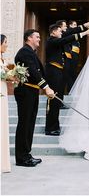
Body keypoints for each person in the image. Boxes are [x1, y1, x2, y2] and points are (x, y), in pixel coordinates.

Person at [14, 29, 55, 167]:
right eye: (37, 37)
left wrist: (45, 86)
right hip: (25, 91)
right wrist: (46, 87)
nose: (39, 39)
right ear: (29, 38)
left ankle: (26, 154)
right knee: (25, 124)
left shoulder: (30, 53)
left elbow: (37, 72)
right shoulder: (24, 52)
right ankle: (22, 158)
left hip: (32, 91)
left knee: (30, 124)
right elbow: (32, 71)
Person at [45, 23, 89, 136]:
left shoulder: (57, 38)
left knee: (57, 102)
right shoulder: (52, 41)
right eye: (60, 31)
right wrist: (84, 33)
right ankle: (50, 128)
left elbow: (68, 33)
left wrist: (84, 26)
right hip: (53, 73)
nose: (62, 32)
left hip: (59, 73)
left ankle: (54, 126)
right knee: (54, 102)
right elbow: (66, 38)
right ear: (53, 32)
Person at [1, 34, 17, 173]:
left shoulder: (3, 60)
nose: (7, 45)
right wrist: (8, 75)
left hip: (3, 91)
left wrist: (13, 76)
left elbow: (6, 73)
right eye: (5, 42)